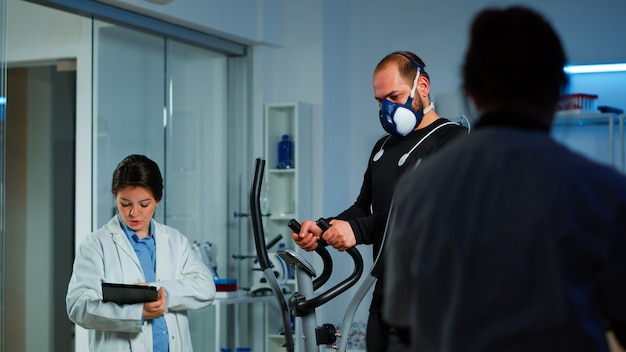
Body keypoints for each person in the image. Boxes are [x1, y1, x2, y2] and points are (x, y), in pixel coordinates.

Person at [383, 6, 626, 352]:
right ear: (559, 89)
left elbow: (405, 325)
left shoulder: (419, 190)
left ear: (472, 92)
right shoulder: (603, 193)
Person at [291, 51, 467, 350]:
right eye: (380, 101)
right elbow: (364, 206)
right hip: (384, 291)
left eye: (395, 97)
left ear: (422, 87)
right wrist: (325, 227)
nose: (387, 108)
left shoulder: (453, 140)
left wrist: (358, 232)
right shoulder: (383, 146)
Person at [66, 154, 215, 352]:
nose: (134, 213)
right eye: (125, 204)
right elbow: (78, 307)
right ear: (115, 198)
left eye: (144, 204)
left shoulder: (175, 240)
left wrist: (156, 291)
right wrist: (138, 312)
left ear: (157, 200)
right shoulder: (96, 244)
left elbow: (205, 287)